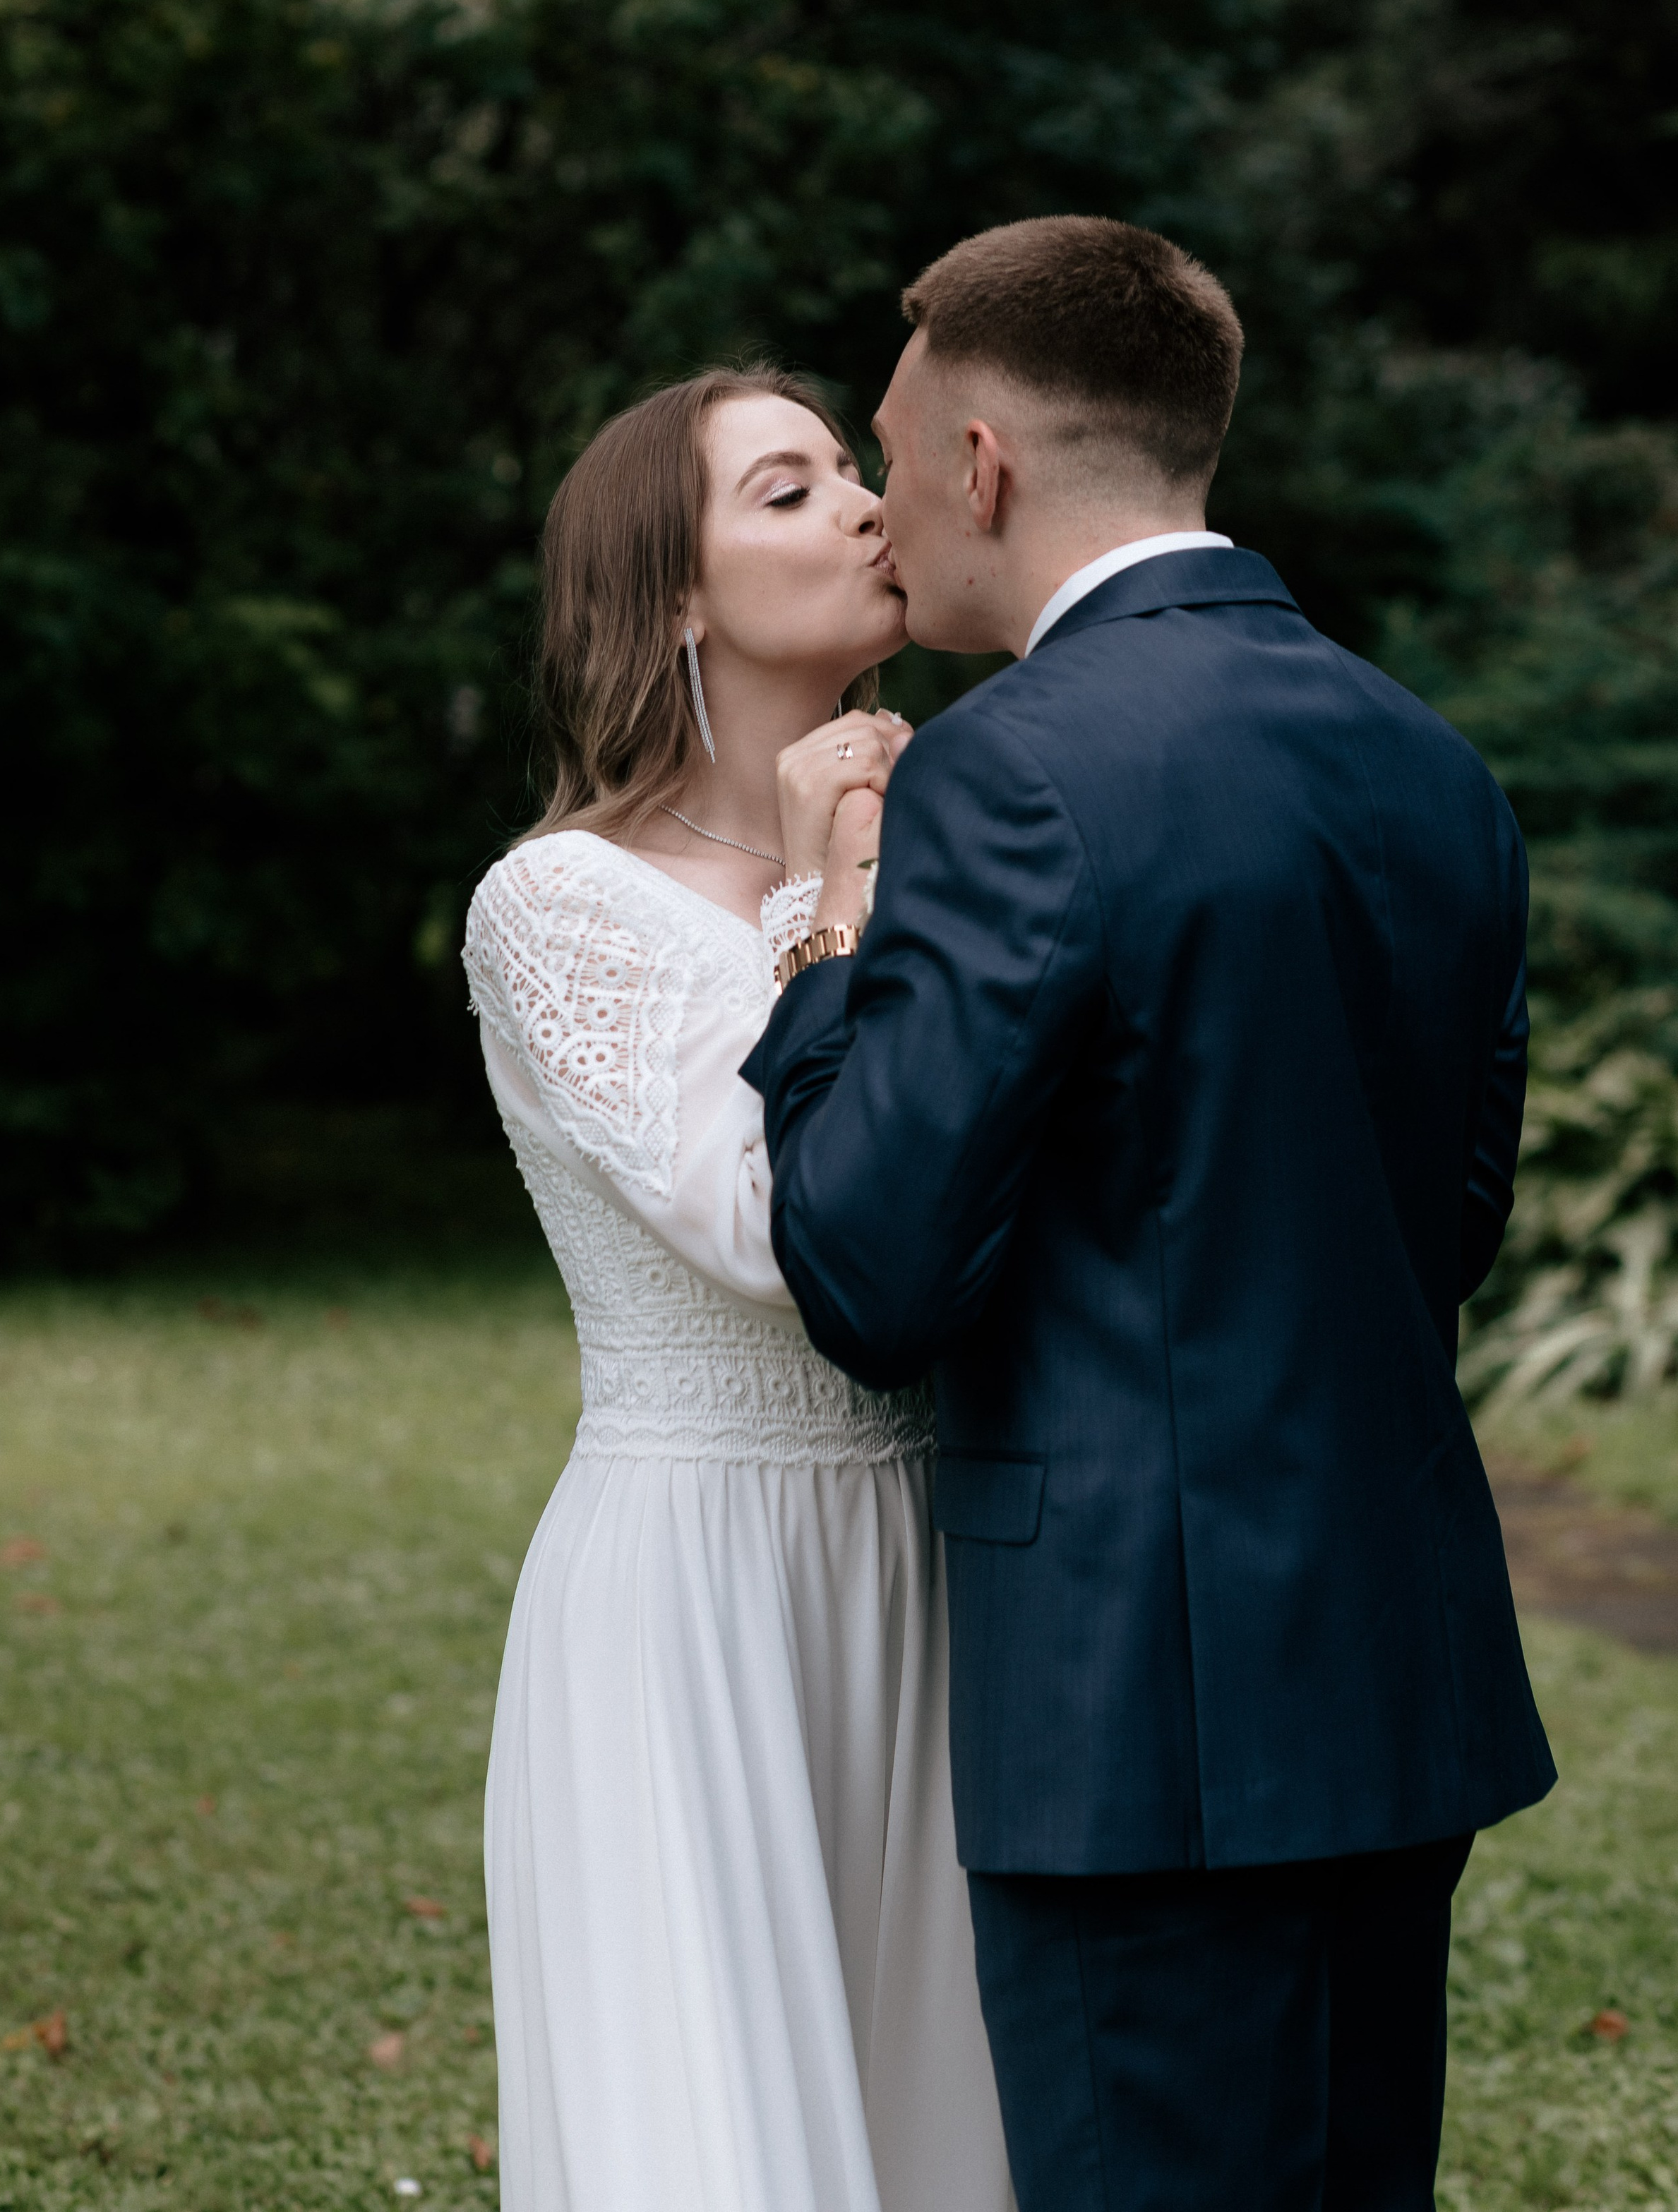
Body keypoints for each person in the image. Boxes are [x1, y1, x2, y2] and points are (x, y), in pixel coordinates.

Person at [744, 217, 1557, 2212]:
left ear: (983, 463)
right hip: (1395, 1681)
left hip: (1138, 1709)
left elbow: (868, 1260)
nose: (881, 506)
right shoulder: (1430, 762)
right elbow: (1445, 1214)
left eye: (890, 446)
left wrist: (822, 939)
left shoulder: (1010, 771)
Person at [460, 366, 1014, 2212]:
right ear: (675, 592)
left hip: (933, 1575)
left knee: (942, 2133)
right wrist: (819, 895)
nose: (868, 507)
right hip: (694, 1590)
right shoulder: (557, 907)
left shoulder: (966, 838)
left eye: (856, 474)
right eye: (790, 491)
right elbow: (775, 1225)